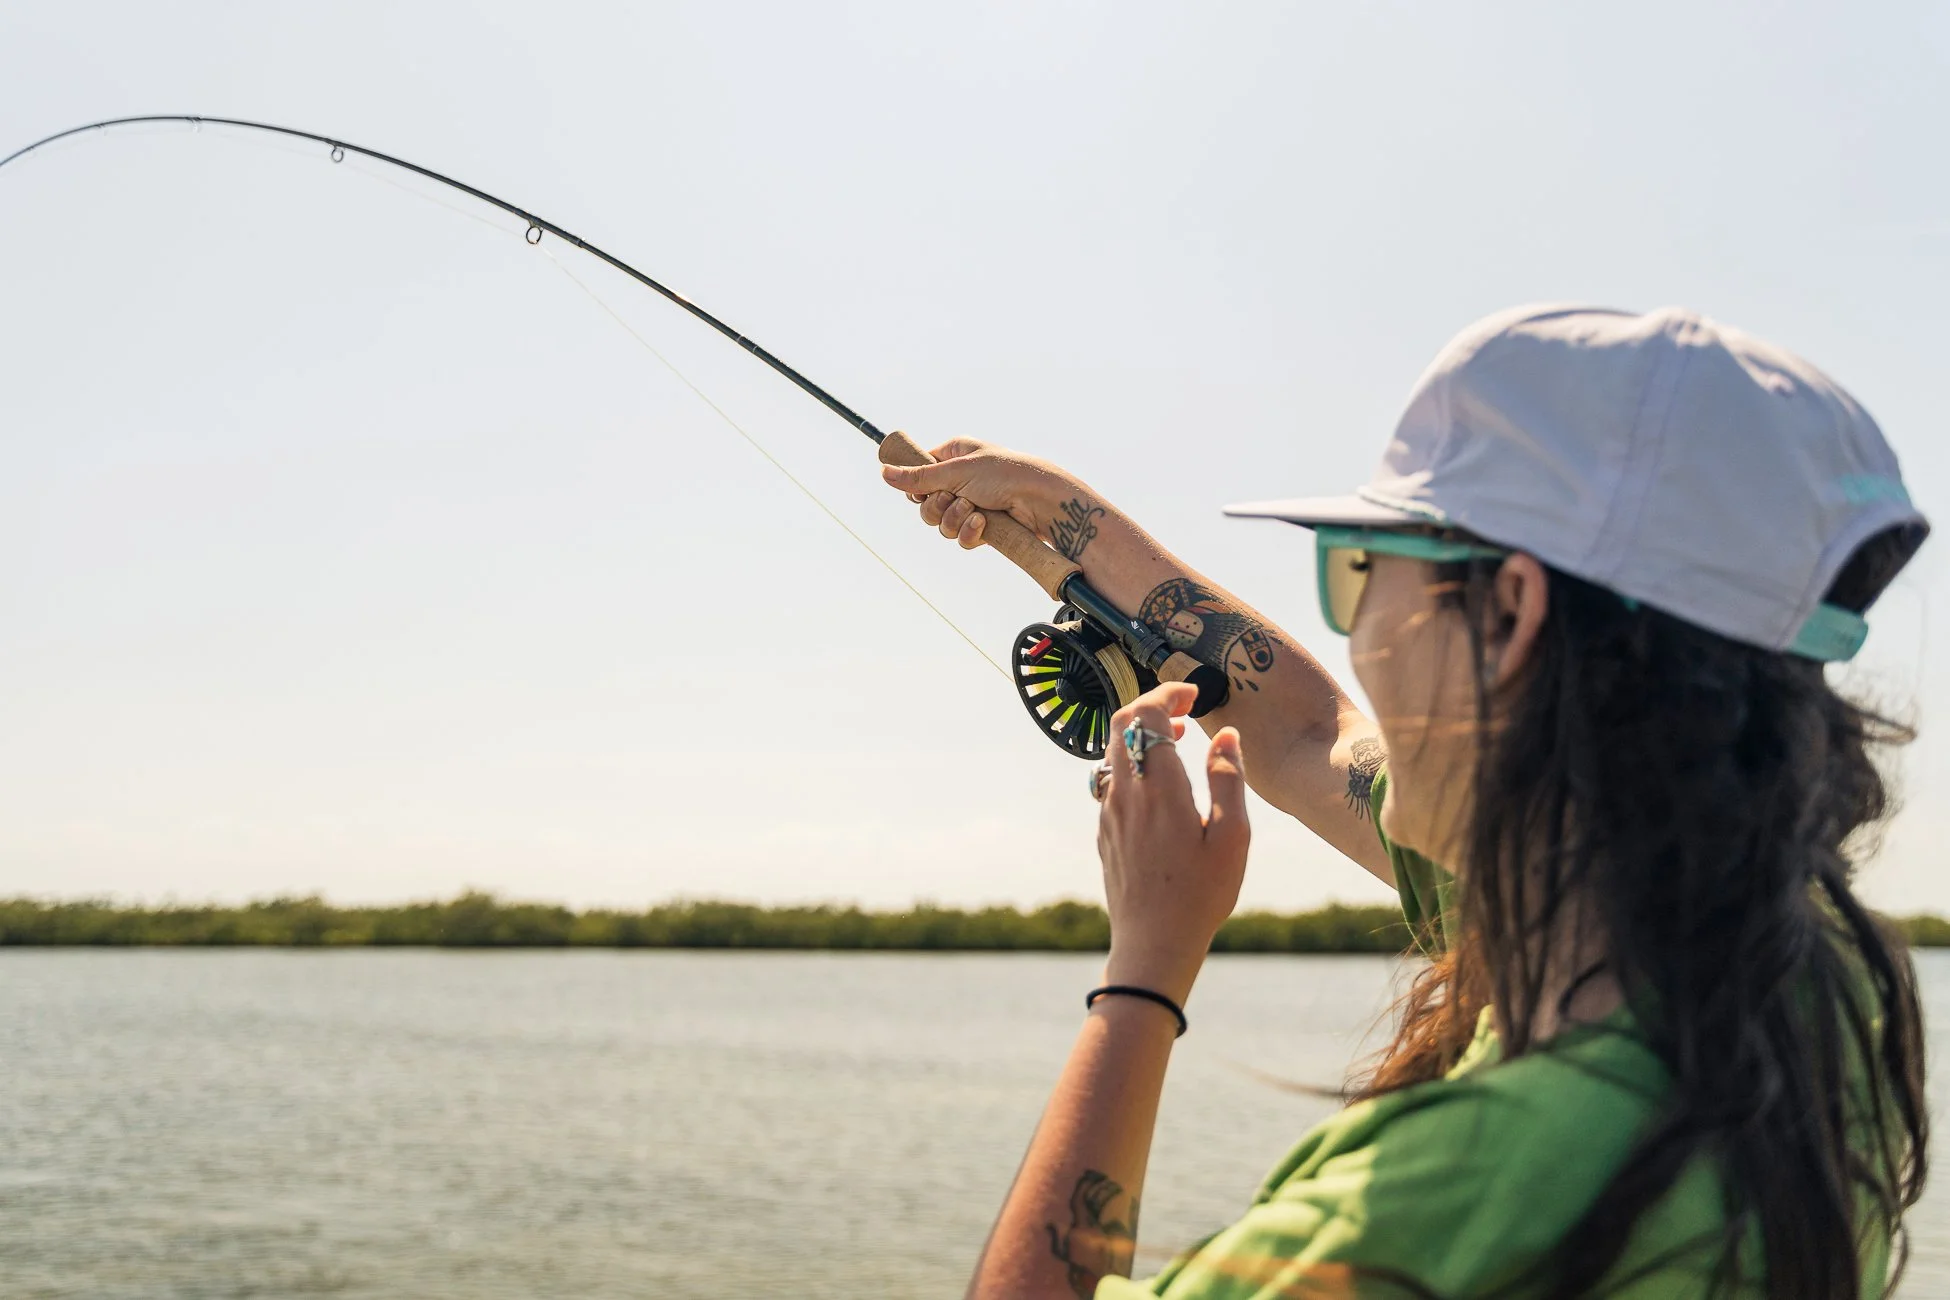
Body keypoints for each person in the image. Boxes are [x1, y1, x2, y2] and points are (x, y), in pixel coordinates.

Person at [880, 305, 1930, 1299]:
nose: (1357, 628)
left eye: (1359, 567)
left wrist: (1144, 974)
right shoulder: (1806, 980)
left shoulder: (1438, 1205)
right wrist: (1062, 528)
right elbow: (1305, 731)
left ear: (1509, 613)